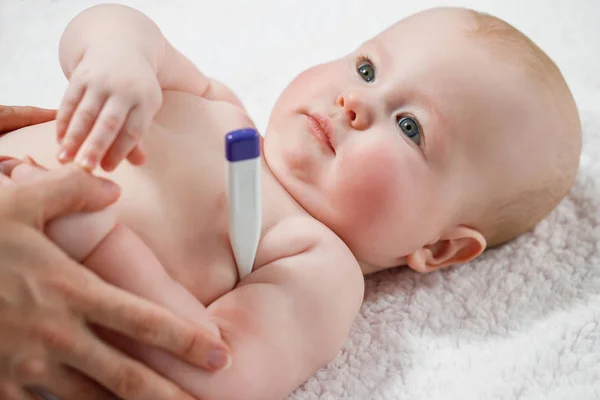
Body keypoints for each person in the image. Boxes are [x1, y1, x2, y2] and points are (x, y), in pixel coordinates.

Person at [0, 4, 582, 400]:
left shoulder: (315, 265)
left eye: (409, 126)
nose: (355, 100)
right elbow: (116, 20)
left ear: (440, 246)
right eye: (367, 67)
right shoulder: (214, 101)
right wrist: (115, 56)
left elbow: (210, 373)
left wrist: (93, 238)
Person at [0, 107, 231, 400]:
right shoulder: (214, 101)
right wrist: (123, 67)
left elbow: (221, 374)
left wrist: (99, 243)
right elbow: (92, 61)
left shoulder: (301, 243)